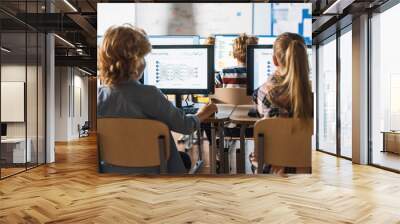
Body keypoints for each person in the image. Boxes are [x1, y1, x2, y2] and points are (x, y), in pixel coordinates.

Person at [97, 25, 218, 174]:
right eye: (143, 57)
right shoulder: (150, 95)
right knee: (185, 159)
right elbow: (186, 126)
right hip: (156, 170)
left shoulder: (97, 98)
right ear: (135, 62)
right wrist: (204, 112)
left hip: (111, 171)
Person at [252, 32, 313, 176]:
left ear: (274, 60)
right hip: (308, 168)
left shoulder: (264, 92)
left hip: (274, 169)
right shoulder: (314, 93)